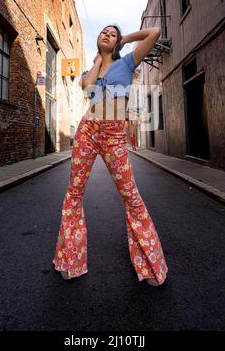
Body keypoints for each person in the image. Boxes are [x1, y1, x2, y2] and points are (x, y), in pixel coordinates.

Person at [52, 25, 168, 287]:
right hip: (89, 129)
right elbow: (87, 88)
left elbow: (155, 32)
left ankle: (149, 264)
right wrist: (97, 59)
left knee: (132, 196)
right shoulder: (89, 70)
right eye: (103, 32)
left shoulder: (128, 62)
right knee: (74, 192)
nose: (106, 34)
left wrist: (124, 40)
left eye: (112, 33)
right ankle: (70, 260)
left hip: (114, 135)